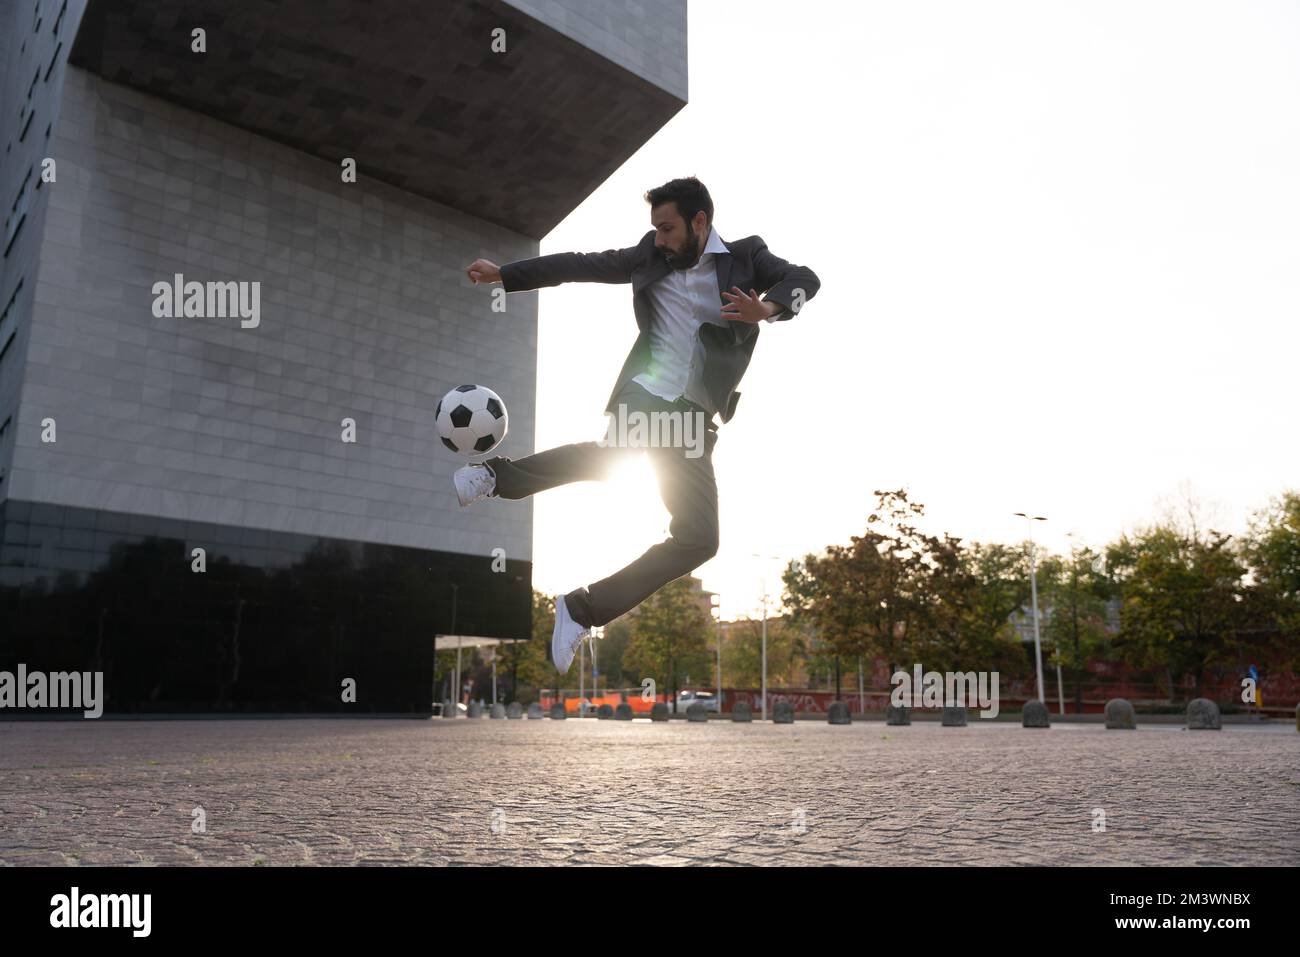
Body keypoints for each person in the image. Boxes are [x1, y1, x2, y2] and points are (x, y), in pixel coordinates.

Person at [460, 177, 819, 673]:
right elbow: (580, 264)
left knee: (699, 540)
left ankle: (582, 607)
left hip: (693, 415)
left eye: (668, 228)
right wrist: (508, 274)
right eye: (654, 229)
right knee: (614, 460)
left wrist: (769, 308)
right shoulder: (648, 255)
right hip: (646, 391)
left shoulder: (747, 256)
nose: (660, 239)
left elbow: (806, 278)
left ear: (700, 222)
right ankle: (494, 476)